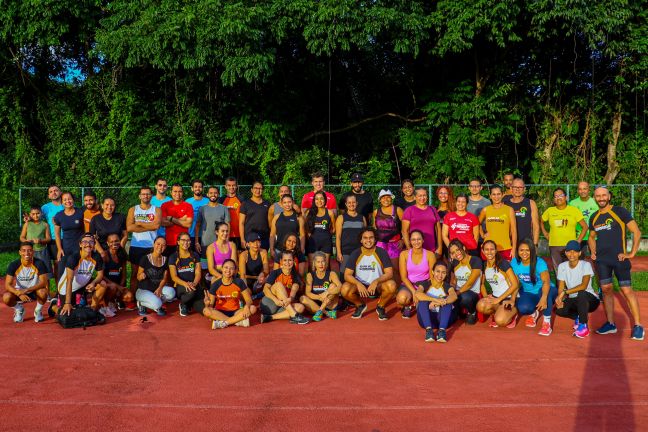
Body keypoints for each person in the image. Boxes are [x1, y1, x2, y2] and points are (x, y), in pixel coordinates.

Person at [588, 186, 643, 340]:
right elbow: (591, 237)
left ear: (609, 196)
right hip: (602, 261)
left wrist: (631, 253)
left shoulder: (619, 211)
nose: (601, 198)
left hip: (620, 259)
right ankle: (611, 324)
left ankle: (638, 325)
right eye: (598, 196)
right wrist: (593, 252)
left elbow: (636, 232)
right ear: (594, 198)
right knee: (606, 289)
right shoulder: (594, 217)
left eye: (603, 195)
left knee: (626, 291)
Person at [340, 228, 397, 320]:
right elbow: (347, 275)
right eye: (365, 238)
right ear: (361, 240)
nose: (368, 240)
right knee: (345, 289)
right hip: (361, 286)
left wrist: (376, 281)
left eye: (371, 237)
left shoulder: (381, 252)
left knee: (392, 285)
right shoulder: (355, 253)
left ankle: (381, 306)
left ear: (375, 239)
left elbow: (389, 273)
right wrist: (358, 284)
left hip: (377, 286)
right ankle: (360, 305)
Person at [51, 234, 106, 316]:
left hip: (83, 285)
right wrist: (67, 303)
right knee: (66, 313)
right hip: (67, 288)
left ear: (94, 244)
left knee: (103, 285)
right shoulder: (74, 258)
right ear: (80, 244)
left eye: (91, 242)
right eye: (85, 242)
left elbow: (100, 275)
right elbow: (69, 281)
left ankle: (92, 309)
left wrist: (93, 283)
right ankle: (53, 306)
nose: (88, 244)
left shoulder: (97, 257)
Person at [511, 239, 557, 336]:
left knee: (544, 294)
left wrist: (544, 298)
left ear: (532, 251)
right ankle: (535, 312)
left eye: (527, 250)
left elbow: (546, 282)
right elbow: (515, 283)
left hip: (547, 289)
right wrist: (512, 298)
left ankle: (546, 323)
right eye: (521, 250)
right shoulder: (515, 262)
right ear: (517, 251)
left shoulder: (539, 262)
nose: (524, 253)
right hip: (530, 292)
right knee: (523, 308)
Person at [555, 240, 600, 338]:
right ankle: (579, 316)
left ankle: (583, 326)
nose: (572, 254)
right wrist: (560, 299)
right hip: (574, 299)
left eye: (575, 251)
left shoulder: (585, 265)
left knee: (581, 293)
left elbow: (583, 286)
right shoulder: (562, 266)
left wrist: (565, 292)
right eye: (569, 251)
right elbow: (561, 287)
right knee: (558, 310)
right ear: (566, 253)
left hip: (589, 299)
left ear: (579, 253)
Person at [126, 186, 162, 295]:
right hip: (137, 246)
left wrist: (139, 223)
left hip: (151, 247)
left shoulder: (156, 209)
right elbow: (130, 228)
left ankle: (150, 296)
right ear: (139, 196)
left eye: (148, 194)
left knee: (152, 273)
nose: (145, 196)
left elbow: (156, 226)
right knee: (135, 273)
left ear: (151, 196)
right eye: (143, 194)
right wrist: (149, 225)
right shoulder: (133, 209)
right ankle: (133, 297)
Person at [541, 187, 588, 269]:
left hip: (570, 247)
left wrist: (578, 241)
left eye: (560, 195)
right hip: (554, 246)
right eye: (555, 196)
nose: (558, 198)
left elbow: (585, 227)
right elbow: (540, 221)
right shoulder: (550, 211)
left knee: (571, 270)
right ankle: (559, 282)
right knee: (558, 270)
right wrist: (545, 233)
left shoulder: (574, 210)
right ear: (554, 199)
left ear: (566, 197)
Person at [476, 240, 519, 328]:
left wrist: (499, 299)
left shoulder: (503, 263)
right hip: (496, 298)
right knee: (480, 306)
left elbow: (515, 284)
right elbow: (482, 284)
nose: (489, 252)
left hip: (508, 298)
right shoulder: (484, 265)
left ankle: (513, 314)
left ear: (496, 251)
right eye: (486, 249)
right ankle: (497, 312)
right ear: (483, 251)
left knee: (500, 321)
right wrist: (486, 297)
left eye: (492, 249)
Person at [204, 259, 258, 329]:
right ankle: (237, 321)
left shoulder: (239, 282)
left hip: (236, 311)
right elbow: (210, 306)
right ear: (222, 268)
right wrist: (207, 304)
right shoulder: (215, 284)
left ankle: (224, 323)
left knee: (252, 308)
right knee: (206, 310)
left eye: (231, 268)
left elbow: (249, 300)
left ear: (235, 271)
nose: (228, 271)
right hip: (220, 312)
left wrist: (247, 306)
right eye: (226, 267)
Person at [3, 242, 49, 323]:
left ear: (33, 252)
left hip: (34, 291)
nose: (26, 253)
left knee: (43, 292)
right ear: (20, 252)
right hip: (20, 292)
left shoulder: (39, 263)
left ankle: (38, 311)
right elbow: (7, 285)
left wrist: (27, 290)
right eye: (24, 251)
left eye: (29, 250)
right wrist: (19, 293)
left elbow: (43, 282)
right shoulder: (14, 265)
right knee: (6, 297)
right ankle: (19, 309)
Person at [260, 251, 309, 324]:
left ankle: (269, 317)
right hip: (270, 303)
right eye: (285, 260)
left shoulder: (296, 275)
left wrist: (290, 299)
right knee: (279, 285)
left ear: (293, 261)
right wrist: (276, 300)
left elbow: (294, 289)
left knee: (301, 308)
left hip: (284, 305)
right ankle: (294, 316)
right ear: (281, 261)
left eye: (290, 260)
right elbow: (265, 289)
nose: (287, 263)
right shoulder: (275, 273)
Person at [414, 261, 458, 343]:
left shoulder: (447, 286)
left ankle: (441, 331)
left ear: (446, 274)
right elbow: (418, 294)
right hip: (426, 320)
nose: (440, 275)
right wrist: (435, 300)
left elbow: (454, 296)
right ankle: (429, 331)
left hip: (442, 319)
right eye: (438, 271)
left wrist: (441, 302)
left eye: (443, 273)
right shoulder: (425, 284)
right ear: (433, 272)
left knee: (446, 299)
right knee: (423, 300)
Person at [397, 230, 436, 319]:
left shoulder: (430, 255)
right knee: (402, 299)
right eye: (413, 239)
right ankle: (408, 305)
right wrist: (414, 292)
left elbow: (432, 277)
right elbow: (403, 277)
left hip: (424, 285)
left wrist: (421, 291)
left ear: (423, 240)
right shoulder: (404, 254)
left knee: (422, 312)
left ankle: (418, 304)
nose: (416, 242)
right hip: (409, 285)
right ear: (410, 241)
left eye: (419, 239)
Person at [135, 236, 175, 316]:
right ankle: (142, 304)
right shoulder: (145, 258)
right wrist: (141, 275)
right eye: (158, 244)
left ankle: (155, 301)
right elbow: (138, 276)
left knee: (171, 293)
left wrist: (160, 289)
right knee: (157, 304)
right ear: (153, 244)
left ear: (165, 247)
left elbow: (164, 278)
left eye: (163, 245)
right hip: (143, 290)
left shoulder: (165, 260)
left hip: (156, 289)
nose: (160, 247)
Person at [195, 186, 230, 271]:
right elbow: (198, 225)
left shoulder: (224, 208)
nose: (213, 195)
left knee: (220, 266)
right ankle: (204, 284)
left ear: (218, 194)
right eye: (211, 193)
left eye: (215, 193)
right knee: (204, 267)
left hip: (220, 243)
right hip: (205, 243)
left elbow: (228, 225)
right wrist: (196, 242)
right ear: (207, 194)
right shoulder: (202, 208)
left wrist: (227, 240)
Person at [98, 233, 133, 317]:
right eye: (111, 241)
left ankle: (112, 302)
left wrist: (121, 286)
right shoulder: (105, 255)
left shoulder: (122, 254)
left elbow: (124, 273)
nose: (114, 243)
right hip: (107, 284)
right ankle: (104, 307)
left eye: (116, 241)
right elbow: (101, 275)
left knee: (129, 296)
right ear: (108, 243)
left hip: (118, 284)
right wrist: (117, 287)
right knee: (113, 287)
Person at [448, 239, 482, 324]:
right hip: (458, 292)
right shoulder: (455, 263)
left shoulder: (475, 260)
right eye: (453, 252)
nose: (456, 254)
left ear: (463, 248)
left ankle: (472, 312)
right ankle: (460, 311)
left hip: (472, 293)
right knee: (450, 320)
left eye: (458, 250)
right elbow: (453, 281)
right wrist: (450, 290)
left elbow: (469, 284)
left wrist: (455, 294)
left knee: (465, 297)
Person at [478, 185, 517, 261]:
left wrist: (514, 248)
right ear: (490, 196)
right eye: (494, 194)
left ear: (502, 194)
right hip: (489, 249)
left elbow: (514, 231)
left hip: (505, 247)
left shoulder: (509, 210)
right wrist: (482, 234)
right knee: (490, 272)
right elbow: (477, 223)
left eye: (498, 194)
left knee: (506, 272)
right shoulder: (486, 210)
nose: (496, 197)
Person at [169, 232, 202, 317]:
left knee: (203, 308)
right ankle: (183, 304)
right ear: (178, 242)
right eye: (183, 240)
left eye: (188, 240)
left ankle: (189, 304)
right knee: (191, 292)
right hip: (180, 286)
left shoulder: (195, 255)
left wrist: (194, 283)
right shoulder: (173, 257)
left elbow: (198, 273)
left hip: (193, 285)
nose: (186, 243)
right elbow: (174, 277)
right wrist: (186, 284)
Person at [301, 251, 342, 321]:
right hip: (316, 304)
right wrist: (319, 297)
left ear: (326, 263)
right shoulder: (310, 275)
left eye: (323, 262)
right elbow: (308, 293)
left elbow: (340, 286)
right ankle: (326, 313)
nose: (321, 264)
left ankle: (320, 312)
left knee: (333, 285)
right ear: (314, 263)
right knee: (302, 298)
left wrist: (327, 292)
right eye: (318, 262)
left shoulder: (331, 274)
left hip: (329, 304)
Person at [402, 187, 442, 257]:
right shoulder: (409, 210)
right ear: (415, 197)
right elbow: (404, 231)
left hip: (432, 249)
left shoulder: (432, 209)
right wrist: (409, 248)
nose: (422, 198)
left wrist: (439, 247)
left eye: (424, 195)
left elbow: (438, 229)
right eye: (420, 196)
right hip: (415, 250)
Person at [53, 191, 85, 276]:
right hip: (65, 249)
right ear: (62, 202)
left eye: (69, 199)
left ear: (73, 200)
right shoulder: (58, 216)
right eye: (65, 200)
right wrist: (59, 249)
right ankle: (61, 289)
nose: (68, 201)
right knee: (62, 273)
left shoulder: (81, 212)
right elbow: (57, 234)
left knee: (79, 273)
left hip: (79, 248)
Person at [373, 189, 404, 274]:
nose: (386, 199)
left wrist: (403, 239)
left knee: (396, 269)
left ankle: (397, 286)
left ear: (391, 198)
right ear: (380, 200)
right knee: (380, 268)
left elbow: (406, 227)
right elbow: (374, 228)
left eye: (388, 197)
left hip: (395, 244)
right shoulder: (376, 212)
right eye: (383, 197)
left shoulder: (398, 210)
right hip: (380, 244)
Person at [503, 178, 540, 247]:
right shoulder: (505, 204)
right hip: (509, 244)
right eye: (515, 187)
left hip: (527, 244)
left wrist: (535, 244)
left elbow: (536, 226)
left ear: (524, 189)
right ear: (511, 188)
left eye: (520, 187)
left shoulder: (531, 203)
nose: (517, 189)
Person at [89, 196, 127, 261]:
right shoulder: (95, 219)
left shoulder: (120, 217)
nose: (109, 207)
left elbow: (125, 235)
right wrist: (101, 252)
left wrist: (121, 245)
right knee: (103, 269)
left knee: (121, 269)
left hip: (117, 249)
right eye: (107, 204)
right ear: (102, 205)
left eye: (112, 205)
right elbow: (93, 238)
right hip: (102, 249)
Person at [161, 184, 193, 256]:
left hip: (184, 243)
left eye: (180, 191)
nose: (177, 194)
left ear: (182, 193)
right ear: (171, 192)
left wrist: (171, 218)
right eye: (175, 191)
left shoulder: (188, 206)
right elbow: (163, 223)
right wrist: (181, 219)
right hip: (169, 242)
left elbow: (188, 224)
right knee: (169, 266)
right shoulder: (165, 205)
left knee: (183, 266)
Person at [335, 194, 367, 269]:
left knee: (359, 275)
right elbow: (338, 237)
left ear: (357, 203)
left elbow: (365, 236)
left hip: (359, 251)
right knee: (344, 275)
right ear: (346, 204)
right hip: (345, 251)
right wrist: (339, 253)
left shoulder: (362, 218)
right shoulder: (341, 218)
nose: (351, 204)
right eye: (349, 202)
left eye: (353, 202)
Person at [20, 206, 52, 277]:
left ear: (41, 213)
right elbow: (21, 237)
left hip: (42, 251)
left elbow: (48, 238)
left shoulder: (45, 225)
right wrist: (26, 241)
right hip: (30, 252)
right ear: (30, 214)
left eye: (38, 213)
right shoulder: (27, 224)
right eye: (33, 214)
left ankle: (47, 288)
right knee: (32, 273)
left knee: (45, 273)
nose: (35, 215)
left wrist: (40, 241)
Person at [305, 191, 336, 263]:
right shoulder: (309, 212)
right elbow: (306, 228)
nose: (319, 201)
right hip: (312, 243)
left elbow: (334, 229)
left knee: (326, 266)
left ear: (325, 200)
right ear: (314, 200)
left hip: (326, 243)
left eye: (321, 198)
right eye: (317, 199)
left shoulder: (330, 212)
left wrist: (326, 235)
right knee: (312, 267)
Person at [569, 181, 599, 254]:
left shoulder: (596, 202)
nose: (582, 191)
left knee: (596, 258)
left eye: (585, 189)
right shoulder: (572, 203)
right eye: (580, 189)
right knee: (578, 260)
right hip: (578, 237)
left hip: (594, 236)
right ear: (577, 191)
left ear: (589, 190)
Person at [239, 181, 271, 250]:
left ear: (262, 190)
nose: (258, 190)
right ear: (251, 190)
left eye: (260, 188)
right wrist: (242, 239)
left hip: (264, 238)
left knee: (263, 258)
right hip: (249, 238)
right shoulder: (245, 203)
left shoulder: (267, 204)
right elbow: (241, 223)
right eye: (256, 188)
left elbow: (270, 222)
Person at [41, 184, 63, 280]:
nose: (54, 193)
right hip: (54, 240)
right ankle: (59, 292)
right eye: (51, 191)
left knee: (70, 264)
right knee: (57, 264)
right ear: (48, 196)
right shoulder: (45, 207)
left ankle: (71, 291)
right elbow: (36, 219)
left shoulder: (67, 203)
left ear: (60, 192)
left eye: (56, 190)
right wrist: (29, 219)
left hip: (68, 238)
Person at [239, 232, 269, 298]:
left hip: (259, 281)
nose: (256, 244)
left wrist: (262, 274)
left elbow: (266, 270)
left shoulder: (263, 252)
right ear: (248, 244)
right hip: (247, 281)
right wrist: (246, 290)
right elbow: (242, 276)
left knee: (270, 280)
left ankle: (258, 295)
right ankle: (255, 295)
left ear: (260, 243)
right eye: (253, 242)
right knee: (246, 292)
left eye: (258, 242)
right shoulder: (243, 255)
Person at [218, 177, 244, 248]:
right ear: (225, 186)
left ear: (237, 186)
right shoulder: (221, 200)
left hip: (238, 234)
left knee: (239, 256)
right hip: (224, 234)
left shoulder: (242, 199)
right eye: (229, 185)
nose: (231, 187)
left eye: (233, 185)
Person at [185, 179, 209, 250]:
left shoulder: (208, 201)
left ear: (203, 188)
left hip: (205, 235)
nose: (198, 188)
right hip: (191, 234)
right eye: (195, 187)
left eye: (200, 187)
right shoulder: (187, 202)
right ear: (192, 188)